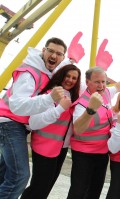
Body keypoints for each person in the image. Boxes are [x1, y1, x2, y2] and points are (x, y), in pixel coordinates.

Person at [67, 43, 120, 199]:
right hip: (84, 154)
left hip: (102, 154)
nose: (101, 85)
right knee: (78, 191)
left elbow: (119, 86)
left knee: (95, 191)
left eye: (104, 81)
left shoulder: (106, 93)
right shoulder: (83, 103)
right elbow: (78, 129)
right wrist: (91, 110)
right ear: (87, 82)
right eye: (97, 82)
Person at [0, 37, 69, 199]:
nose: (54, 55)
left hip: (15, 125)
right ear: (43, 51)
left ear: (62, 58)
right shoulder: (30, 73)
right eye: (51, 51)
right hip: (9, 123)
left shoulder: (45, 72)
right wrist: (49, 99)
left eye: (59, 54)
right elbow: (17, 105)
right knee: (19, 176)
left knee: (4, 172)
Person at [20, 64, 81, 199]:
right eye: (68, 76)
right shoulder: (49, 94)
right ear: (61, 75)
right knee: (38, 187)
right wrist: (59, 109)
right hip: (44, 147)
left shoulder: (72, 97)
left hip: (61, 149)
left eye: (74, 78)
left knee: (47, 187)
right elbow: (34, 122)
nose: (70, 80)